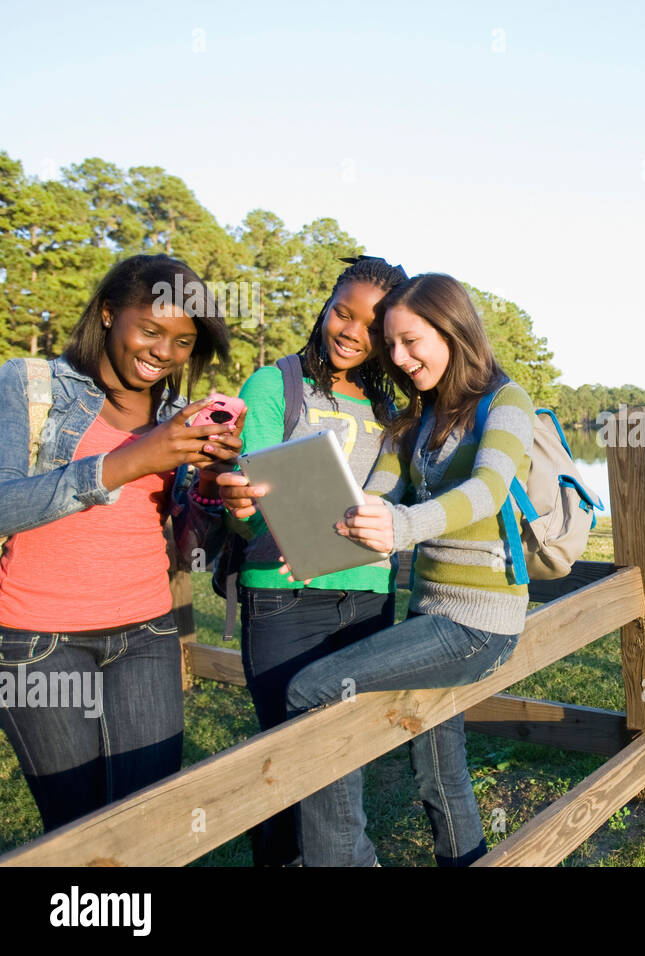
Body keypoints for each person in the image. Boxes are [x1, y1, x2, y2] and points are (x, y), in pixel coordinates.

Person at [282, 272, 534, 867]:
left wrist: (403, 527)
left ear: (453, 330)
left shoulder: (506, 402)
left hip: (479, 626)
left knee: (308, 689)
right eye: (390, 344)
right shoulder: (416, 419)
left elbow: (489, 490)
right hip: (428, 616)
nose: (398, 356)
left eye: (411, 341)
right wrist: (320, 535)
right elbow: (373, 496)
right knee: (437, 770)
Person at [0, 253, 241, 832]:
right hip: (38, 640)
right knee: (78, 827)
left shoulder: (180, 416)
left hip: (147, 634)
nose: (164, 351)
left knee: (150, 820)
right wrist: (132, 460)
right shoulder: (29, 385)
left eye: (183, 341)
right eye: (152, 330)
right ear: (109, 314)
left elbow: (186, 543)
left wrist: (211, 487)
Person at [213, 255, 407, 866]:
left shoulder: (392, 409)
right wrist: (238, 506)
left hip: (369, 598)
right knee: (289, 757)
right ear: (325, 307)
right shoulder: (274, 386)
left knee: (342, 755)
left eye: (370, 326)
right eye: (341, 312)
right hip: (284, 595)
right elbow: (246, 512)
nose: (350, 331)